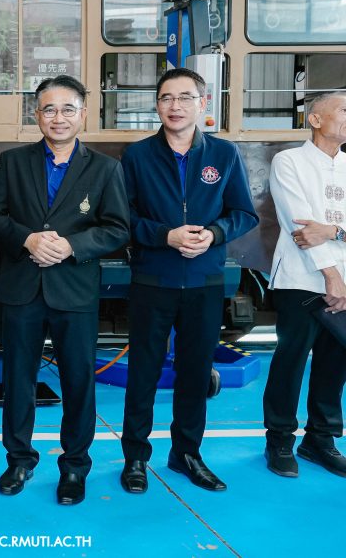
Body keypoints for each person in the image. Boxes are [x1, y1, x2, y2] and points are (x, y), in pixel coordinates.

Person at [0, 75, 129, 506]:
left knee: (79, 381)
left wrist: (71, 246)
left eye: (68, 109)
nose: (58, 117)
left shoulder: (105, 168)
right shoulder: (13, 162)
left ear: (83, 114)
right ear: (36, 115)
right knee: (18, 380)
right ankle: (19, 460)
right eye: (49, 109)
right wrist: (27, 239)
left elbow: (117, 228)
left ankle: (75, 466)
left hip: (75, 291)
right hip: (22, 289)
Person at [119, 68, 258, 493]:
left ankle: (186, 454)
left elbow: (244, 213)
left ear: (203, 103)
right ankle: (135, 458)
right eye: (166, 98)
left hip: (204, 280)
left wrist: (213, 234)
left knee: (196, 373)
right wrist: (166, 236)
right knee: (143, 372)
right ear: (156, 105)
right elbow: (122, 219)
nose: (174, 106)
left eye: (184, 98)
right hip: (153, 278)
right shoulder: (137, 156)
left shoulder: (224, 154)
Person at [262, 90, 346, 479]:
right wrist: (331, 274)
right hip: (302, 280)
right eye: (343, 110)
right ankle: (279, 439)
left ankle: (320, 440)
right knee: (291, 359)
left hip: (345, 283)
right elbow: (301, 228)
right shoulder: (289, 162)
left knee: (335, 362)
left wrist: (334, 230)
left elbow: (323, 230)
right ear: (315, 119)